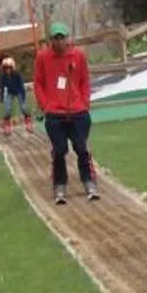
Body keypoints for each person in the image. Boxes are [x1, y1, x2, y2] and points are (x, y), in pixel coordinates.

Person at [33, 22, 98, 203]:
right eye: (56, 38)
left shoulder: (78, 56)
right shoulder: (43, 58)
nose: (60, 42)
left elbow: (85, 80)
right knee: (59, 150)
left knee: (81, 148)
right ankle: (59, 185)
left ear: (67, 38)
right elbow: (38, 83)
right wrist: (45, 104)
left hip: (78, 111)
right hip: (55, 114)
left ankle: (89, 182)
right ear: (50, 40)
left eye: (62, 37)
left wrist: (85, 102)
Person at [0, 55, 32, 133]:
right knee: (7, 109)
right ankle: (7, 126)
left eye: (9, 68)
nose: (7, 70)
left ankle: (28, 124)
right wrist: (1, 97)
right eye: (5, 68)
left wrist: (23, 97)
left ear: (12, 67)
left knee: (23, 108)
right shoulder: (3, 76)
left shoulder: (17, 75)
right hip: (10, 92)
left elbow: (21, 86)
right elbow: (2, 87)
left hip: (19, 91)